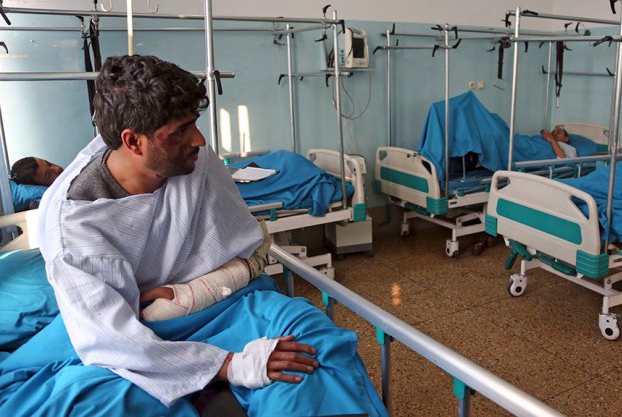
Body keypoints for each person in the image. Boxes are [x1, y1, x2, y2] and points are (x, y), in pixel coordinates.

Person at [34, 55, 386, 415]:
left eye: (194, 123)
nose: (199, 140)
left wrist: (190, 293)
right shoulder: (73, 231)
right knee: (104, 403)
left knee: (313, 346)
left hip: (234, 305)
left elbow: (250, 251)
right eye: (180, 131)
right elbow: (116, 341)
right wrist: (231, 365)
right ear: (133, 142)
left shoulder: (192, 158)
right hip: (145, 329)